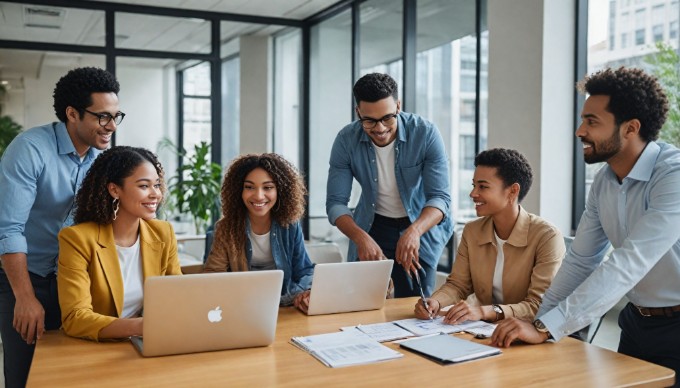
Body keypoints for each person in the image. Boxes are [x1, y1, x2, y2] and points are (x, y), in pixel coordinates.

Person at [491, 67, 680, 384]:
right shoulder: (605, 181)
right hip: (637, 321)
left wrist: (546, 328)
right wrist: (539, 322)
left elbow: (629, 262)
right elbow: (581, 260)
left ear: (630, 128)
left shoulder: (672, 175)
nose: (580, 131)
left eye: (592, 122)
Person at [0, 67, 122, 387]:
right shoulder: (29, 149)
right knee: (25, 374)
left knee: (77, 370)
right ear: (72, 114)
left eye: (115, 116)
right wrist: (25, 298)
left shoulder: (102, 158)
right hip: (28, 276)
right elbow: (8, 230)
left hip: (75, 277)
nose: (111, 126)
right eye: (102, 117)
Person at [326, 73, 453, 298]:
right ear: (358, 112)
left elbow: (440, 198)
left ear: (398, 105)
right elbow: (336, 203)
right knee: (364, 302)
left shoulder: (425, 133)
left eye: (388, 118)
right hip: (373, 224)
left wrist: (414, 232)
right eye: (370, 121)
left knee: (416, 304)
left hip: (420, 224)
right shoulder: (346, 140)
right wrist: (360, 237)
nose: (380, 128)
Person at [414, 148, 565, 323]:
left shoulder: (547, 237)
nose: (473, 194)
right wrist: (436, 302)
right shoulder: (472, 231)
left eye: (483, 186)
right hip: (485, 331)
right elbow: (457, 285)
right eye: (474, 185)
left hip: (528, 335)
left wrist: (486, 312)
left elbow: (538, 305)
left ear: (512, 191)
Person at [57, 146, 181, 341]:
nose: (155, 194)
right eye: (143, 186)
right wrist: (141, 326)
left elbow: (177, 296)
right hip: (98, 347)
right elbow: (75, 317)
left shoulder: (163, 233)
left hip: (149, 341)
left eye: (156, 185)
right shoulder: (77, 239)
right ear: (114, 189)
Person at [203, 153, 315, 313]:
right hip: (242, 309)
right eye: (249, 187)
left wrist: (304, 293)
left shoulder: (290, 225)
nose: (258, 195)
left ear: (280, 190)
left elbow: (304, 270)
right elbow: (213, 276)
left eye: (268, 187)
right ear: (238, 191)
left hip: (285, 306)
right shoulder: (226, 228)